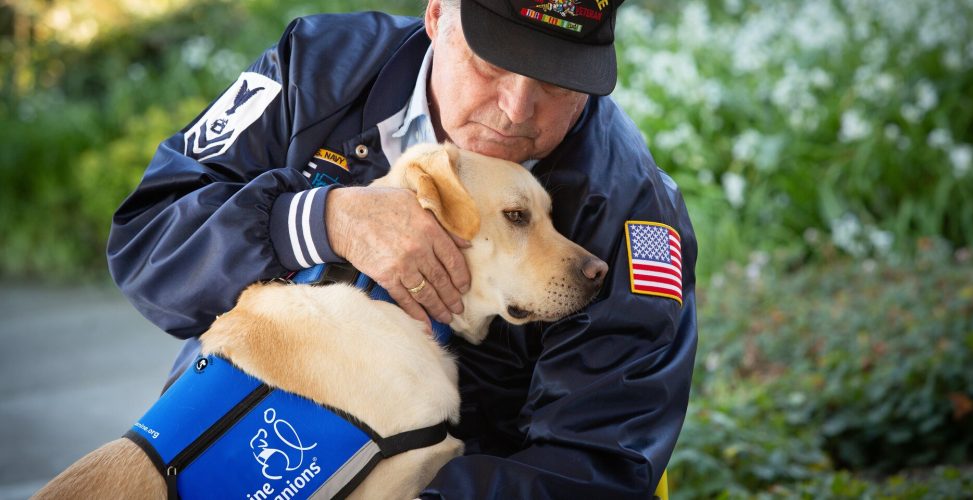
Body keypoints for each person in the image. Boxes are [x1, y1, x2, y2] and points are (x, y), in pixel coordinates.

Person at [107, 0, 698, 497]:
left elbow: (595, 462)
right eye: (492, 64)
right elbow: (146, 239)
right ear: (438, 16)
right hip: (218, 452)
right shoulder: (318, 68)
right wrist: (321, 218)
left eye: (554, 78)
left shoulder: (631, 213)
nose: (516, 109)